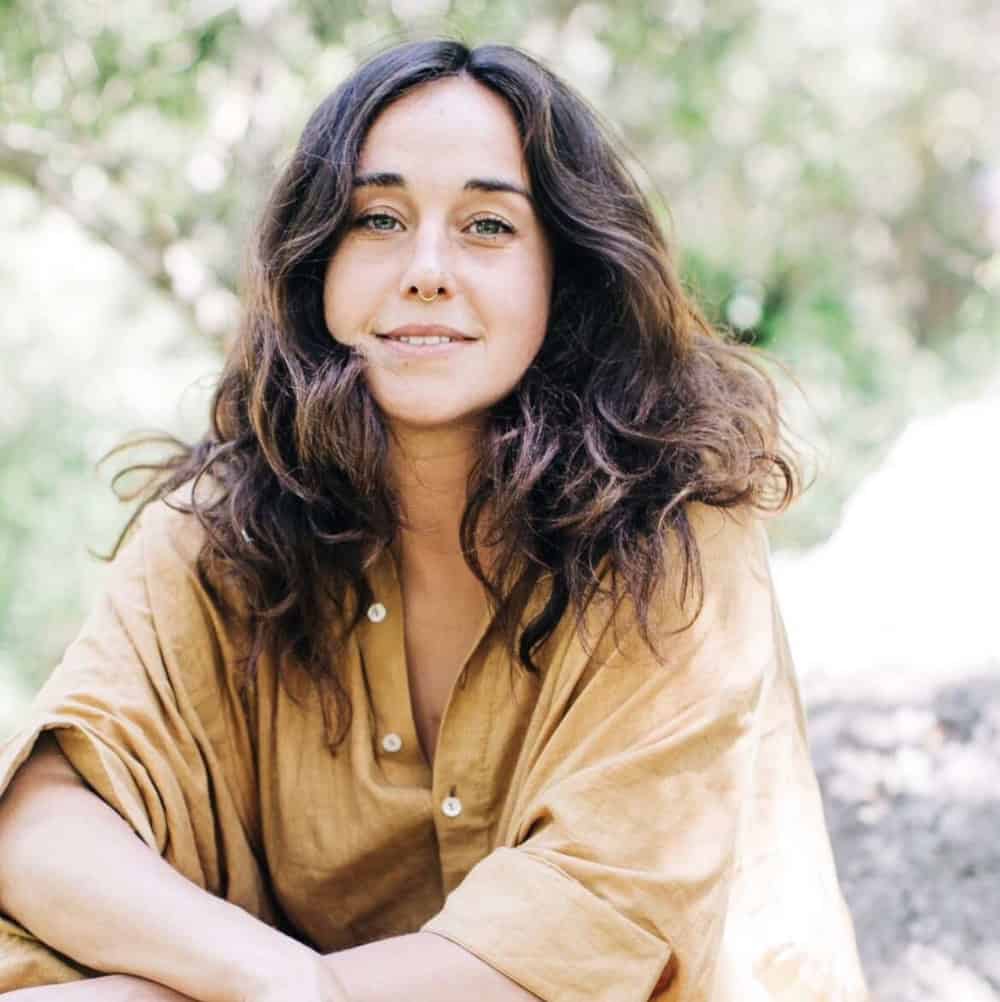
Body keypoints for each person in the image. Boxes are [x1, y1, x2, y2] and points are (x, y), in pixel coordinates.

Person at [0, 37, 868, 1002]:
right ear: (317, 264)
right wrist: (273, 983)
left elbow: (576, 942)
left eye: (489, 225)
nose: (425, 270)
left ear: (563, 273)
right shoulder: (219, 535)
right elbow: (42, 819)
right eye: (377, 217)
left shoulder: (673, 537)